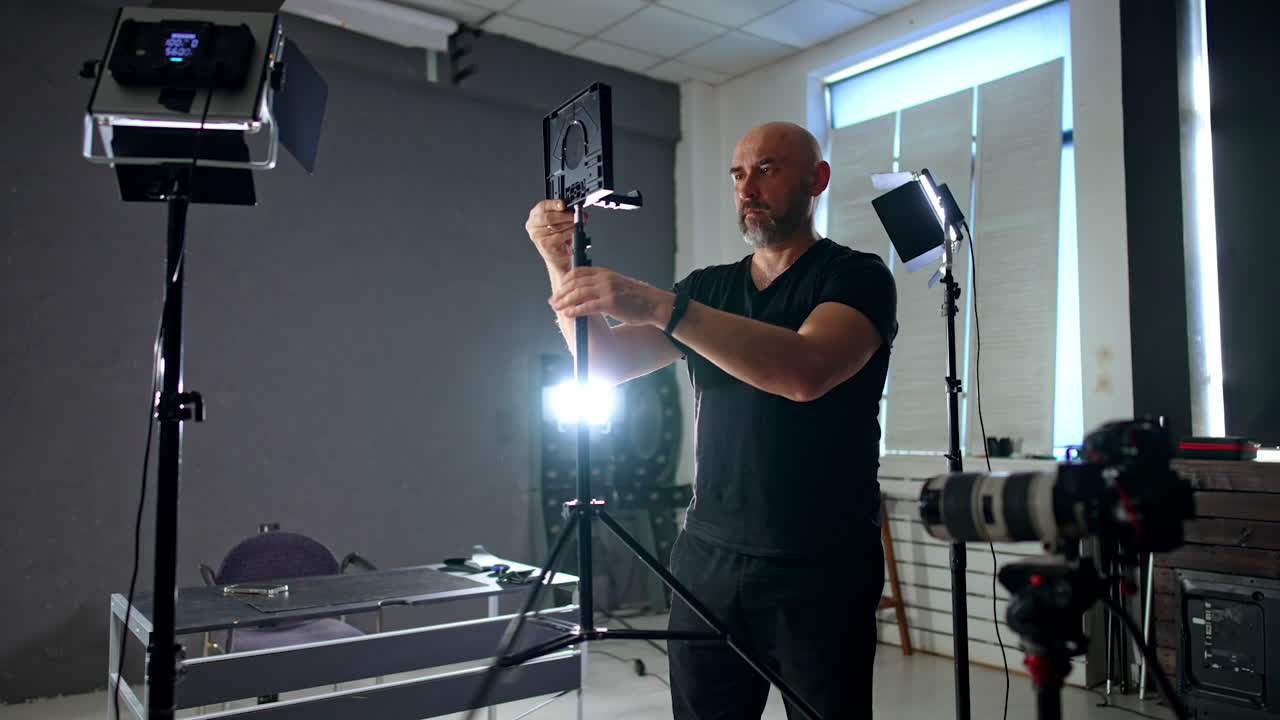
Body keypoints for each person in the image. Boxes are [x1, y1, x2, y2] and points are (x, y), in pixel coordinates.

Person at [524, 121, 897, 719]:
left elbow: (805, 372)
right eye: (738, 174)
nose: (748, 187)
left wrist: (656, 303)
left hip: (820, 561)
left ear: (817, 180)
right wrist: (558, 260)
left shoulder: (856, 277)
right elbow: (603, 365)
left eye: (768, 169)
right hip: (709, 558)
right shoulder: (709, 289)